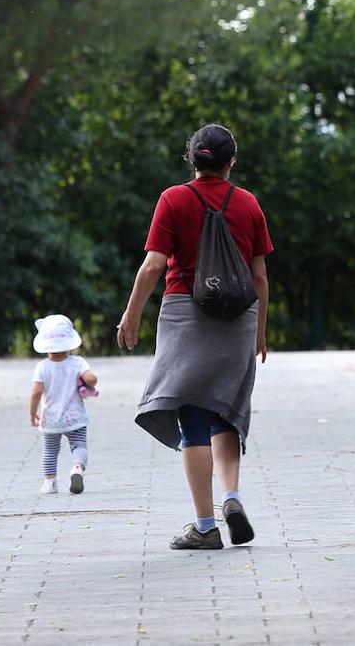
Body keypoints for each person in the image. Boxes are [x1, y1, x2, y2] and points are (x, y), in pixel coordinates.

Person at [117, 123, 273, 550]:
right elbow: (259, 275)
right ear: (231, 162)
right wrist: (259, 332)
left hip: (185, 315)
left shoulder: (174, 199)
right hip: (239, 320)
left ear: (191, 159)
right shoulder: (248, 204)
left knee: (194, 421)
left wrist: (131, 315)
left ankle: (205, 526)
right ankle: (233, 497)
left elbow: (153, 266)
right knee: (227, 411)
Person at [29, 314, 97, 495]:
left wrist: (32, 413)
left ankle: (50, 483)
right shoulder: (77, 363)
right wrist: (87, 380)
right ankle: (77, 468)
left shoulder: (42, 367)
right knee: (79, 446)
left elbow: (36, 392)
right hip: (75, 417)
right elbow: (92, 379)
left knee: (50, 450)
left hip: (50, 418)